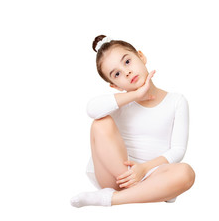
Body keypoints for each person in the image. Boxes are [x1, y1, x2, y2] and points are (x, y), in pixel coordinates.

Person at [70, 35, 195, 208]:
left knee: (186, 172)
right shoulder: (120, 103)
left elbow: (178, 150)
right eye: (117, 74)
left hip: (152, 173)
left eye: (127, 62)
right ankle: (150, 192)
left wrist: (142, 169)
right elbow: (91, 109)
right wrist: (135, 95)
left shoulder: (176, 101)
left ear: (141, 56)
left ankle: (109, 199)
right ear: (115, 86)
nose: (127, 72)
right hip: (118, 177)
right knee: (100, 123)